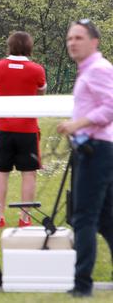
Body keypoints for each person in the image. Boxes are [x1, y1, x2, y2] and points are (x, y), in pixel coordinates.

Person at [57, 19, 113, 298]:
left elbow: (111, 107)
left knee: (84, 218)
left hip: (96, 150)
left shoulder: (100, 69)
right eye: (70, 38)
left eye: (78, 37)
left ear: (94, 42)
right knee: (105, 219)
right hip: (94, 147)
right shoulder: (87, 71)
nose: (72, 42)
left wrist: (77, 125)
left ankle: (82, 286)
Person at [0, 31, 46, 229]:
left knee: (1, 174)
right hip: (28, 129)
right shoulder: (37, 70)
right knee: (29, 174)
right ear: (29, 47)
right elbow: (41, 91)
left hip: (3, 127)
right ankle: (25, 218)